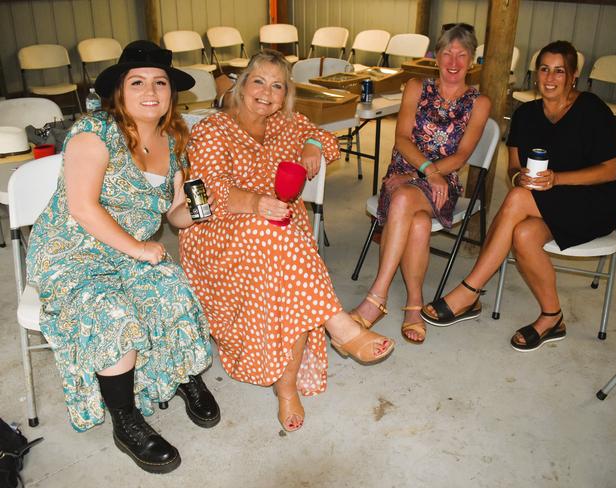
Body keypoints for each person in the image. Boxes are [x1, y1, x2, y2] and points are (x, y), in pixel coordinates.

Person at [26, 40, 220, 474]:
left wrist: (197, 209)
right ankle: (126, 420)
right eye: (138, 82)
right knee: (111, 311)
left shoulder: (173, 138)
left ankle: (184, 374)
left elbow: (173, 211)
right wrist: (137, 247)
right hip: (71, 251)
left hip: (130, 251)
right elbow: (82, 206)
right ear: (119, 91)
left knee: (173, 287)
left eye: (160, 82)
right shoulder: (94, 133)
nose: (150, 91)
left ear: (171, 92)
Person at [179, 49, 395, 433]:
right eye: (259, 81)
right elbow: (210, 191)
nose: (267, 92)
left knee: (286, 268)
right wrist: (256, 204)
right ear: (242, 85)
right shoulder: (213, 129)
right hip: (219, 232)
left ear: (285, 95)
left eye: (277, 85)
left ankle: (288, 386)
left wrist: (312, 147)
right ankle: (340, 330)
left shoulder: (288, 124)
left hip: (278, 233)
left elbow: (326, 140)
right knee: (283, 244)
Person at [421, 40, 616, 352]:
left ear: (573, 75)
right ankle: (552, 316)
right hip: (549, 200)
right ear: (535, 74)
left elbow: (609, 172)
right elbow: (515, 170)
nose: (549, 77)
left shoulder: (591, 108)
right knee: (523, 233)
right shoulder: (525, 115)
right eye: (544, 69)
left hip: (595, 200)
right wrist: (522, 177)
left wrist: (556, 178)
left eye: (559, 71)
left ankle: (470, 290)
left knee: (518, 200)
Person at [349, 24, 490, 344]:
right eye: (447, 53)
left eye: (462, 55)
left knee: (402, 200)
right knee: (418, 223)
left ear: (471, 61)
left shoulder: (478, 103)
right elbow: (401, 138)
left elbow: (463, 155)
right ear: (436, 57)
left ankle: (376, 297)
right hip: (404, 169)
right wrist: (425, 169)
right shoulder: (416, 87)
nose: (454, 61)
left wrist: (423, 175)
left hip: (443, 182)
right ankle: (414, 306)